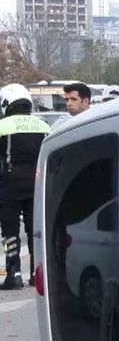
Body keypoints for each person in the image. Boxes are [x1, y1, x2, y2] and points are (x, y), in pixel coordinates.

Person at [0, 84, 52, 289]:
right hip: (36, 184)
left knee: (10, 231)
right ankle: (35, 273)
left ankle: (13, 274)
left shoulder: (2, 126)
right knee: (34, 230)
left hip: (8, 185)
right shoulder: (43, 125)